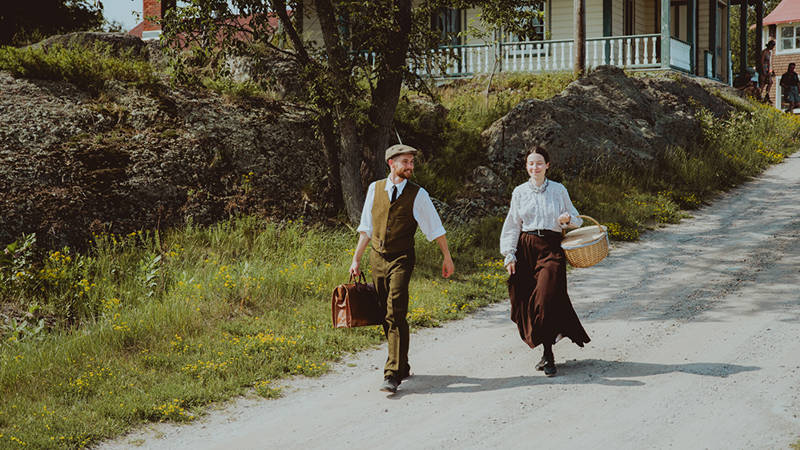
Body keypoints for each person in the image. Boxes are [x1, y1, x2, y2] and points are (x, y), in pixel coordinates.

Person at [349, 144, 455, 393]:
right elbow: (366, 229)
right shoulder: (375, 190)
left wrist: (447, 258)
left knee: (395, 311)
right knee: (385, 313)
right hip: (377, 258)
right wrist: (356, 260)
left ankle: (392, 373)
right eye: (405, 162)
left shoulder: (418, 194)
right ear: (391, 164)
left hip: (401, 258)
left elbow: (435, 228)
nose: (410, 166)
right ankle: (403, 363)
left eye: (411, 162)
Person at [499, 147, 590, 377]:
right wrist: (509, 254)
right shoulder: (519, 192)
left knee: (546, 299)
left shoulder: (558, 190)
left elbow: (577, 220)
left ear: (547, 165)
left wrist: (567, 219)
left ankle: (548, 355)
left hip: (551, 248)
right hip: (526, 247)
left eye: (539, 163)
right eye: (531, 164)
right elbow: (512, 225)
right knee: (526, 299)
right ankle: (546, 350)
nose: (534, 167)